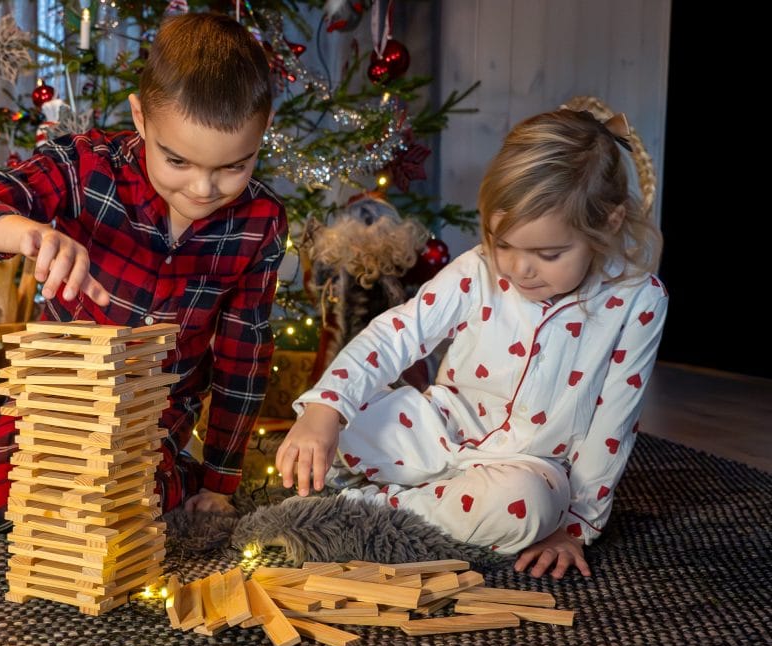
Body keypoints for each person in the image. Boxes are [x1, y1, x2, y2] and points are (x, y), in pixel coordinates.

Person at [0, 12, 287, 530]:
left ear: (262, 129)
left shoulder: (262, 222)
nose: (203, 190)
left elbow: (242, 357)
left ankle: (174, 475)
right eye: (178, 161)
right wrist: (27, 233)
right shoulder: (85, 165)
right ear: (140, 118)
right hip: (58, 399)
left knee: (115, 504)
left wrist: (219, 480)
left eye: (233, 166)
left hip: (153, 415)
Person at [276, 108, 667, 579]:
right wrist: (327, 410)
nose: (519, 269)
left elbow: (613, 422)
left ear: (607, 223)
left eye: (548, 254)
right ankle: (398, 494)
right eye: (504, 245)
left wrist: (577, 524)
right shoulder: (476, 269)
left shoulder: (637, 302)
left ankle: (365, 511)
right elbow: (396, 334)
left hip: (527, 466)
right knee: (330, 423)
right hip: (438, 427)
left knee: (525, 509)